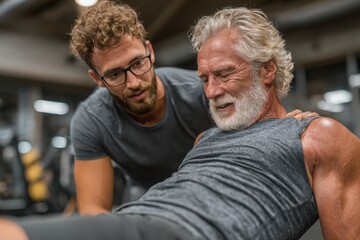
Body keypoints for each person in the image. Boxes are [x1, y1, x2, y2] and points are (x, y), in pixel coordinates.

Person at [3, 6, 358, 240]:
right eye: (204, 78)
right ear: (98, 79)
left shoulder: (318, 135)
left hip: (184, 232)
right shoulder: (204, 137)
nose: (212, 91)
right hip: (136, 213)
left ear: (267, 70)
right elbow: (96, 208)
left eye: (223, 74)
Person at [67, 0, 308, 214]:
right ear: (97, 79)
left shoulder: (202, 91)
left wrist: (283, 127)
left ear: (150, 51)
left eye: (138, 63)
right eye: (115, 74)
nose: (133, 82)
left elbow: (259, 129)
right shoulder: (91, 121)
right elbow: (94, 210)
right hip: (146, 198)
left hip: (209, 189)